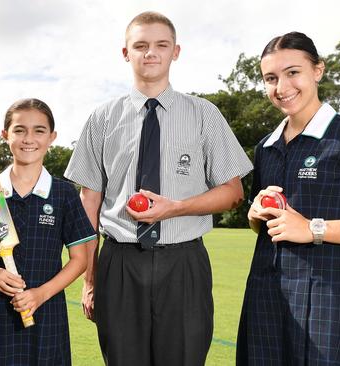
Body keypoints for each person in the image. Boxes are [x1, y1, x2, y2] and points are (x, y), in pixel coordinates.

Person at [64, 11, 253, 366]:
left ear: (175, 51)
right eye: (141, 45)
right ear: (126, 53)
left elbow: (233, 192)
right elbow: (89, 203)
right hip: (118, 263)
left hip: (183, 262)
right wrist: (90, 280)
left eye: (161, 45)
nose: (150, 53)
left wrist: (174, 208)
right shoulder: (102, 118)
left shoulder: (204, 114)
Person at [237, 31, 340, 365]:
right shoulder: (265, 148)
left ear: (318, 70)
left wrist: (314, 228)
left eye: (293, 73)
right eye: (270, 78)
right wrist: (255, 215)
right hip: (265, 297)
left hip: (327, 301)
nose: (281, 88)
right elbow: (273, 228)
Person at [0, 98, 96, 366]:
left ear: (52, 137)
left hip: (45, 313)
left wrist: (41, 294)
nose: (29, 138)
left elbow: (80, 260)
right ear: (6, 135)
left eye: (39, 130)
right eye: (19, 130)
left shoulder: (63, 194)